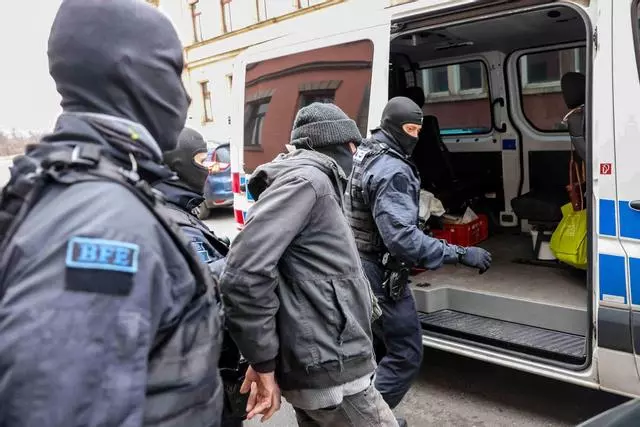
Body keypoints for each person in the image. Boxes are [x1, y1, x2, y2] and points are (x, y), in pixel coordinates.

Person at [0, 1, 224, 426]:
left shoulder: (88, 185)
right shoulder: (102, 221)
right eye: (173, 72)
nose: (186, 95)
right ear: (131, 73)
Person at [219, 103, 398, 426]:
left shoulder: (314, 181)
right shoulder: (309, 182)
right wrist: (262, 361)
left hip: (329, 360)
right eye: (354, 148)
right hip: (332, 368)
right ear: (345, 145)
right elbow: (242, 275)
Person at [345, 97, 493, 415]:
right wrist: (460, 253)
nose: (414, 136)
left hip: (359, 264)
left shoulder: (368, 151)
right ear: (391, 125)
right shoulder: (392, 170)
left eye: (418, 130)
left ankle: (363, 414)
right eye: (409, 129)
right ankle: (366, 421)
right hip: (379, 272)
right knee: (405, 354)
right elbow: (404, 241)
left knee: (376, 349)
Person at [156, 126, 247, 427]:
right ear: (178, 165)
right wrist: (242, 260)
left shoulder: (173, 209)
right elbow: (206, 292)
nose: (210, 169)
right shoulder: (174, 222)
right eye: (202, 160)